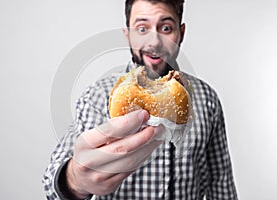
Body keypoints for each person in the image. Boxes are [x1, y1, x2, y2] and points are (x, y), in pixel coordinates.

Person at [43, 0, 238, 199]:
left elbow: (221, 185)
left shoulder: (206, 99)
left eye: (166, 28)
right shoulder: (98, 96)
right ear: (128, 34)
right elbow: (51, 184)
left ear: (181, 33)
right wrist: (74, 180)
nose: (154, 42)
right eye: (142, 28)